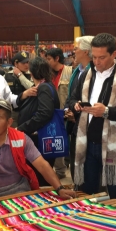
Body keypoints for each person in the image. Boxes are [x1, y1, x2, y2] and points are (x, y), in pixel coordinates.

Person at [68, 33, 116, 199]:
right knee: (86, 191)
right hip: (86, 142)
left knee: (114, 191)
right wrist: (76, 105)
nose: (96, 62)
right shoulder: (88, 74)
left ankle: (115, 222)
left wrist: (107, 112)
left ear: (114, 54)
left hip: (112, 144)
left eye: (102, 57)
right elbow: (72, 98)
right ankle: (89, 222)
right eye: (94, 57)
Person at [16, 57, 60, 186]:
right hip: (41, 140)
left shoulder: (44, 87)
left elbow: (44, 113)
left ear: (32, 73)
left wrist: (22, 128)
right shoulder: (42, 86)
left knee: (39, 180)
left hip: (41, 141)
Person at [66, 35, 94, 181]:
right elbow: (71, 97)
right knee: (75, 162)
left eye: (76, 49)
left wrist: (76, 113)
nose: (73, 51)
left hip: (88, 126)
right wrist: (69, 110)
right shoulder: (77, 71)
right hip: (74, 125)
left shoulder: (94, 72)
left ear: (86, 51)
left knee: (88, 170)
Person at [45, 48, 72, 179]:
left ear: (57, 58)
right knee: (55, 141)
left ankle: (63, 169)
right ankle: (58, 169)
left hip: (65, 112)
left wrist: (69, 110)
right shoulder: (47, 74)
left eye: (49, 59)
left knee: (65, 141)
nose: (47, 62)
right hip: (51, 112)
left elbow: (72, 93)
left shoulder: (69, 72)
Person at [5, 51, 33, 127]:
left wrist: (20, 75)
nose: (26, 65)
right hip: (13, 112)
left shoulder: (31, 75)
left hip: (27, 111)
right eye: (23, 63)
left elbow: (32, 88)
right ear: (16, 64)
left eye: (27, 62)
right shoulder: (7, 76)